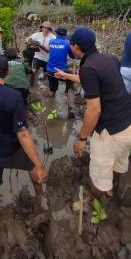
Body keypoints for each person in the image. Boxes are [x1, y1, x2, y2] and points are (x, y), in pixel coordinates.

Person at [55, 27, 131, 204]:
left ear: (76, 47)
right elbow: (91, 80)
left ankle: (87, 201)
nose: (70, 46)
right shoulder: (104, 58)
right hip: (127, 123)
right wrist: (66, 75)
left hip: (110, 132)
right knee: (118, 163)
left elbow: (94, 110)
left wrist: (82, 138)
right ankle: (112, 189)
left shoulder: (88, 67)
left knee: (99, 175)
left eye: (71, 43)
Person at [0, 54, 48, 213]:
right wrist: (40, 165)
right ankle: (40, 199)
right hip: (7, 152)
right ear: (8, 71)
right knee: (32, 166)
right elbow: (23, 135)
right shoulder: (13, 97)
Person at [46, 27, 74, 99]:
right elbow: (72, 56)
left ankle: (50, 103)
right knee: (71, 76)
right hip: (60, 72)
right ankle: (67, 92)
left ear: (56, 33)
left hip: (49, 70)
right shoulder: (67, 43)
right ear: (65, 35)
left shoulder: (51, 41)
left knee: (52, 89)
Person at [27, 21, 56, 85]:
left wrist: (40, 45)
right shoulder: (37, 34)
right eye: (44, 28)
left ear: (49, 29)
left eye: (47, 28)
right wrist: (30, 43)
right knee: (33, 71)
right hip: (38, 57)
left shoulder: (53, 37)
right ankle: (30, 85)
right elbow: (28, 39)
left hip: (47, 58)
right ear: (42, 28)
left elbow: (48, 50)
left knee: (49, 75)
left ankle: (47, 83)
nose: (45, 30)